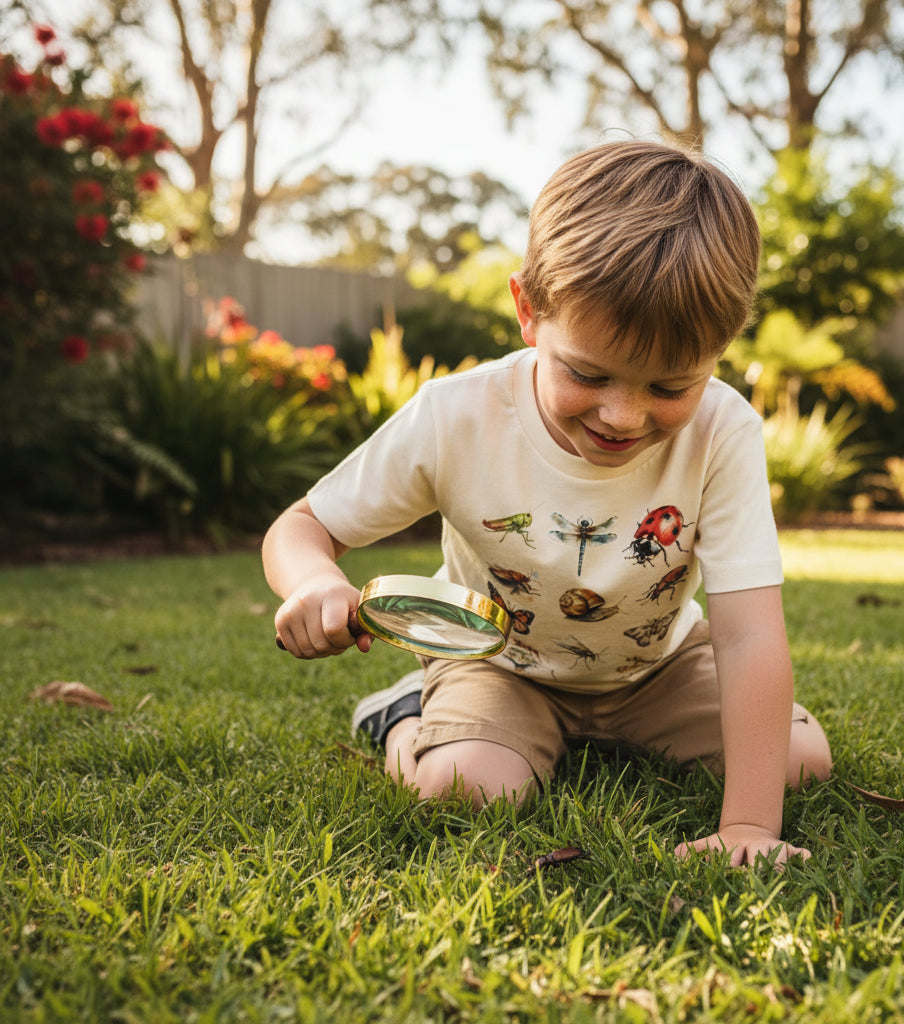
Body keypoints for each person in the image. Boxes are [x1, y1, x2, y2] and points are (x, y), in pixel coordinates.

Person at [263, 138, 832, 867]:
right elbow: (302, 526)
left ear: (722, 350)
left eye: (668, 387)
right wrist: (315, 582)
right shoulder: (456, 415)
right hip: (498, 662)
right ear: (529, 312)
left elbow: (749, 634)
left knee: (800, 762)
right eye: (587, 374)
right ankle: (407, 716)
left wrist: (750, 827)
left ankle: (594, 733)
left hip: (656, 668)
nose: (623, 416)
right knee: (464, 786)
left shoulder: (724, 431)